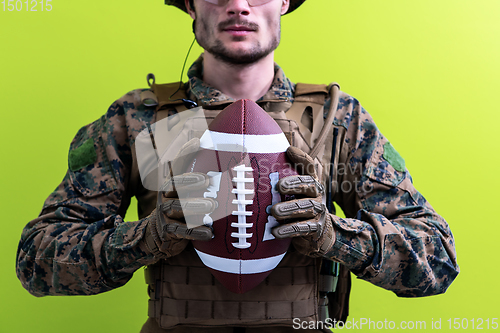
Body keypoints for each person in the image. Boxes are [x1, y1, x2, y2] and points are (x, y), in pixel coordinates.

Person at [15, 0, 459, 332]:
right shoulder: (139, 120)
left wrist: (333, 235)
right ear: (190, 3)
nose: (239, 4)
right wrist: (143, 238)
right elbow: (36, 259)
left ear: (284, 1)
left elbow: (437, 260)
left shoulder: (335, 121)